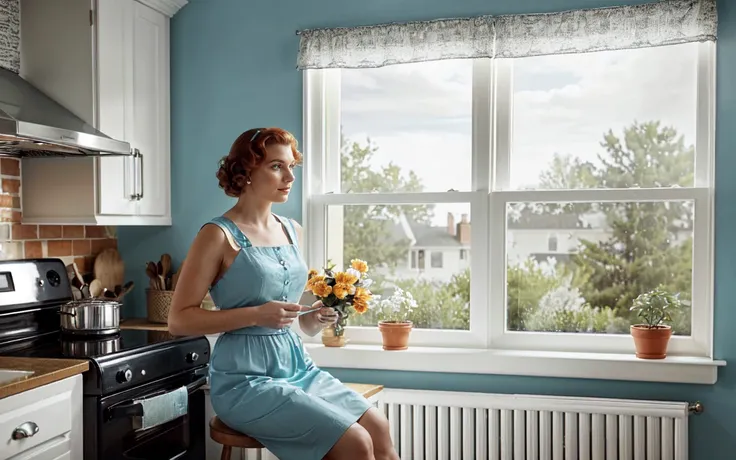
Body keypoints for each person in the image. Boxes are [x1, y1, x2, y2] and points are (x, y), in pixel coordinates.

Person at [167, 127, 398, 460]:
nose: (290, 176)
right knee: (356, 443)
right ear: (245, 172)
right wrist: (256, 315)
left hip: (298, 368)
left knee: (378, 427)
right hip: (244, 381)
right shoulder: (217, 235)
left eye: (291, 166)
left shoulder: (292, 230)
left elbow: (299, 321)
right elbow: (178, 320)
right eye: (277, 166)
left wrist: (314, 315)